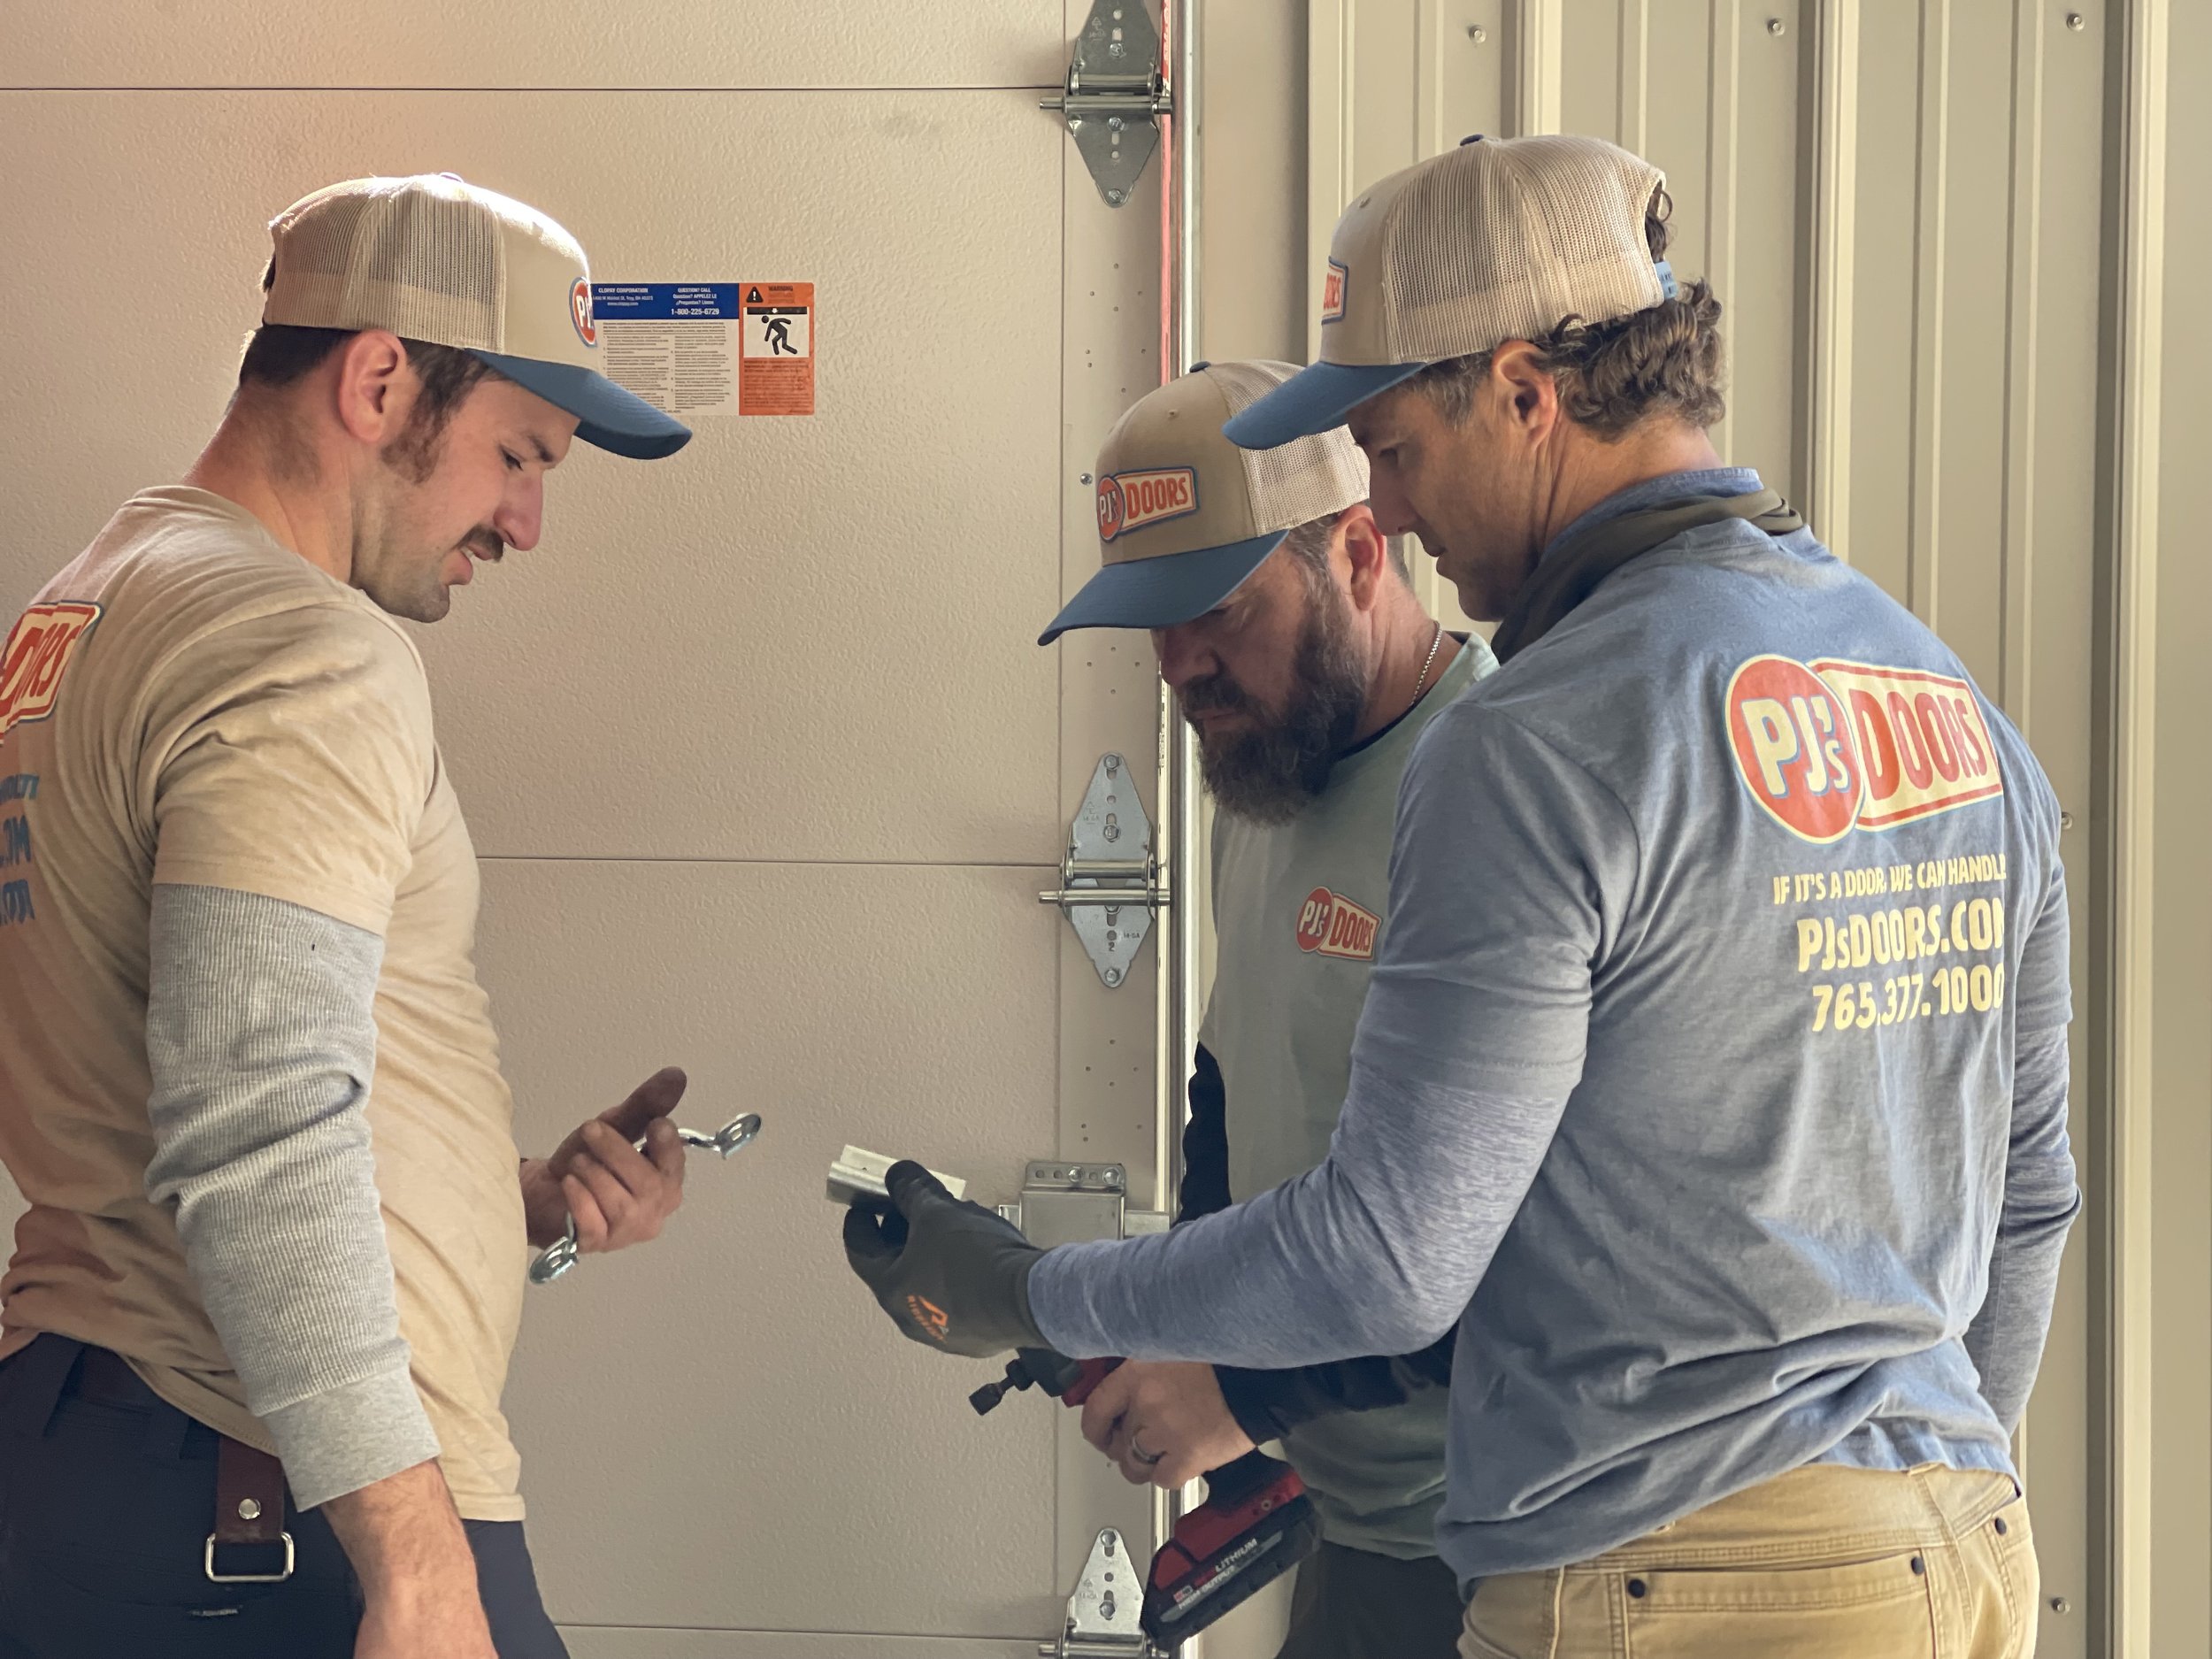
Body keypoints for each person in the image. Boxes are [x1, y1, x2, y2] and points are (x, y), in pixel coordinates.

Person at [845, 134, 2077, 1659]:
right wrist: (1911, 1507)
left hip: (1670, 1576)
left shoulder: (1541, 737)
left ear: (1521, 390)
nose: (1393, 509)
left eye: (1397, 448)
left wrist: (1044, 1294)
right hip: (1953, 1556)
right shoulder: (1942, 696)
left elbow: (1395, 1256)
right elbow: (2031, 1192)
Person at [0, 174, 696, 1659]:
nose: (527, 520)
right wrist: (420, 1568)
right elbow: (254, 1119)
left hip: (109, 1444)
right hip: (266, 1508)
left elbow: (170, 1057)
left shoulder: (97, 603)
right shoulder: (296, 645)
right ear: (379, 379)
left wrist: (506, 1202)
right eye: (518, 453)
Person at [1036, 359, 1493, 1657]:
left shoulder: (1492, 793)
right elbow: (1235, 1085)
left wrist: (1244, 1384)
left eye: (1220, 611)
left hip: (1501, 1544)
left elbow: (1513, 1230)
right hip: (1356, 1522)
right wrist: (1183, 1330)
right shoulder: (1268, 775)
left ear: (1358, 553)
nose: (1180, 665)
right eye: (1152, 624)